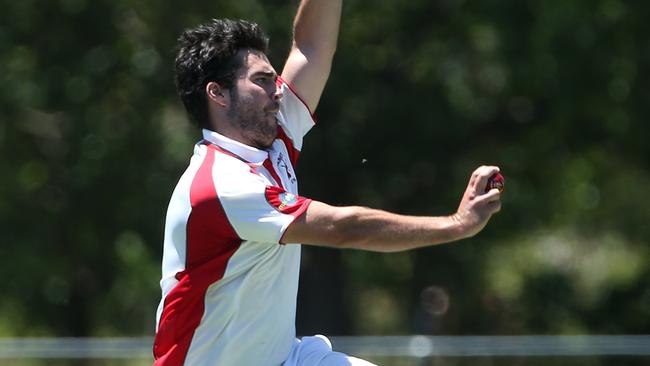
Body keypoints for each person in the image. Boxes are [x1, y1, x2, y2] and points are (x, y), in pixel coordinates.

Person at [153, 0, 502, 365]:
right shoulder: (220, 184)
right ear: (218, 94)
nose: (277, 91)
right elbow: (342, 228)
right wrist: (456, 224)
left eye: (274, 78)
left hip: (284, 358)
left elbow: (310, 47)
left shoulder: (272, 140)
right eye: (261, 80)